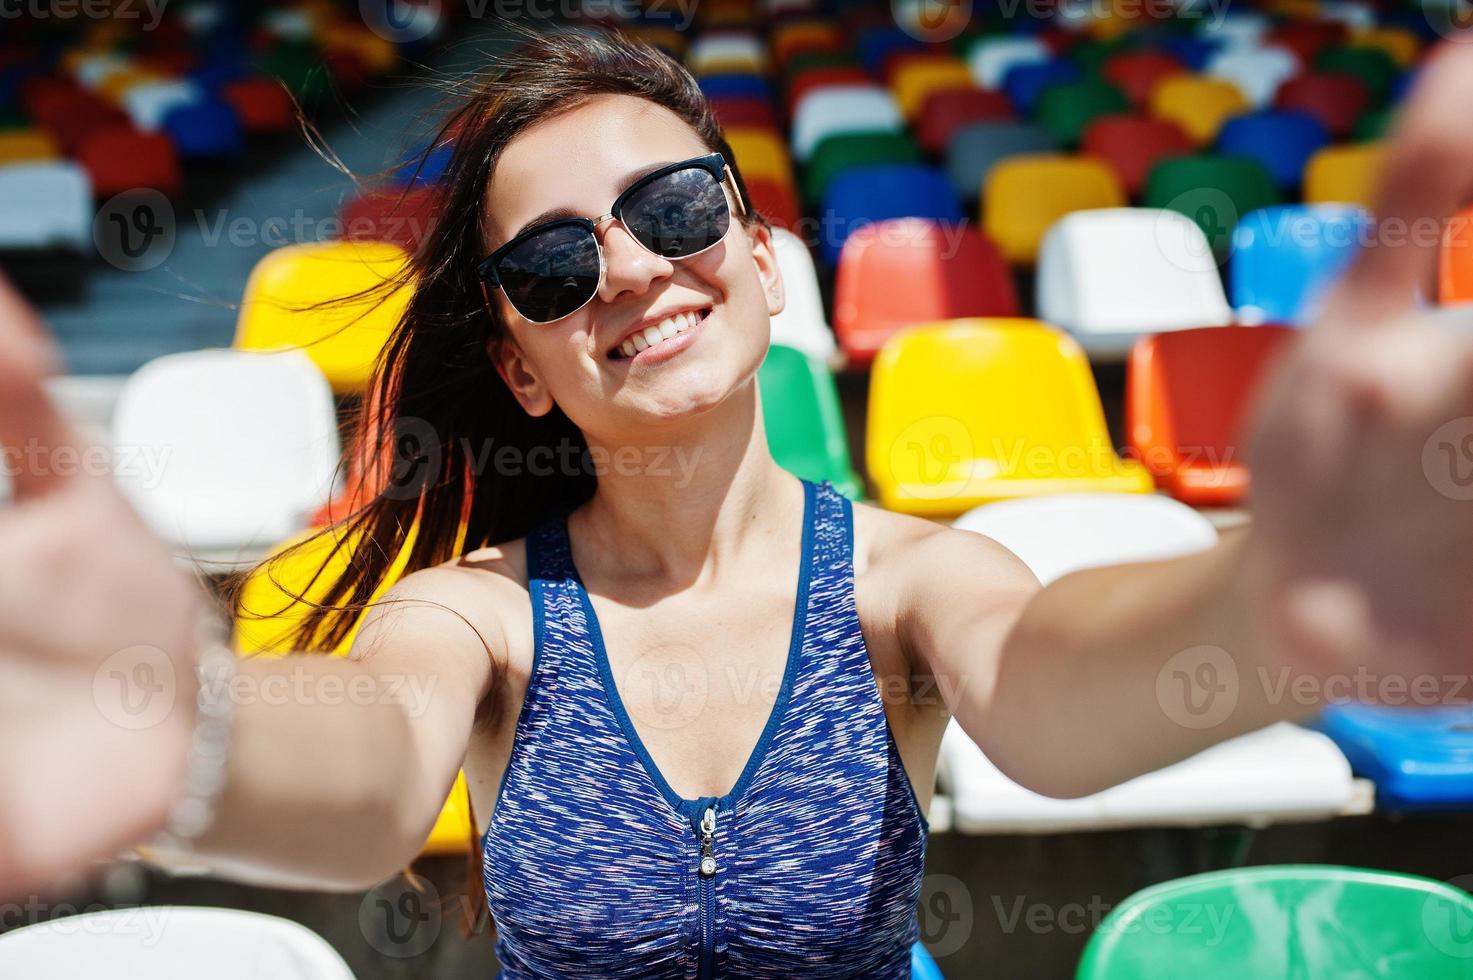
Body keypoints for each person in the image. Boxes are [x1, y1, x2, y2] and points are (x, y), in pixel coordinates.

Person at [3, 25, 1473, 978]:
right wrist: (171, 725)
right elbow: (374, 768)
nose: (633, 270)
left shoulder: (910, 581)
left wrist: (1277, 600)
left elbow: (1050, 692)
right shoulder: (478, 616)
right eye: (554, 267)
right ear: (520, 367)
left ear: (764, 262)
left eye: (675, 209)